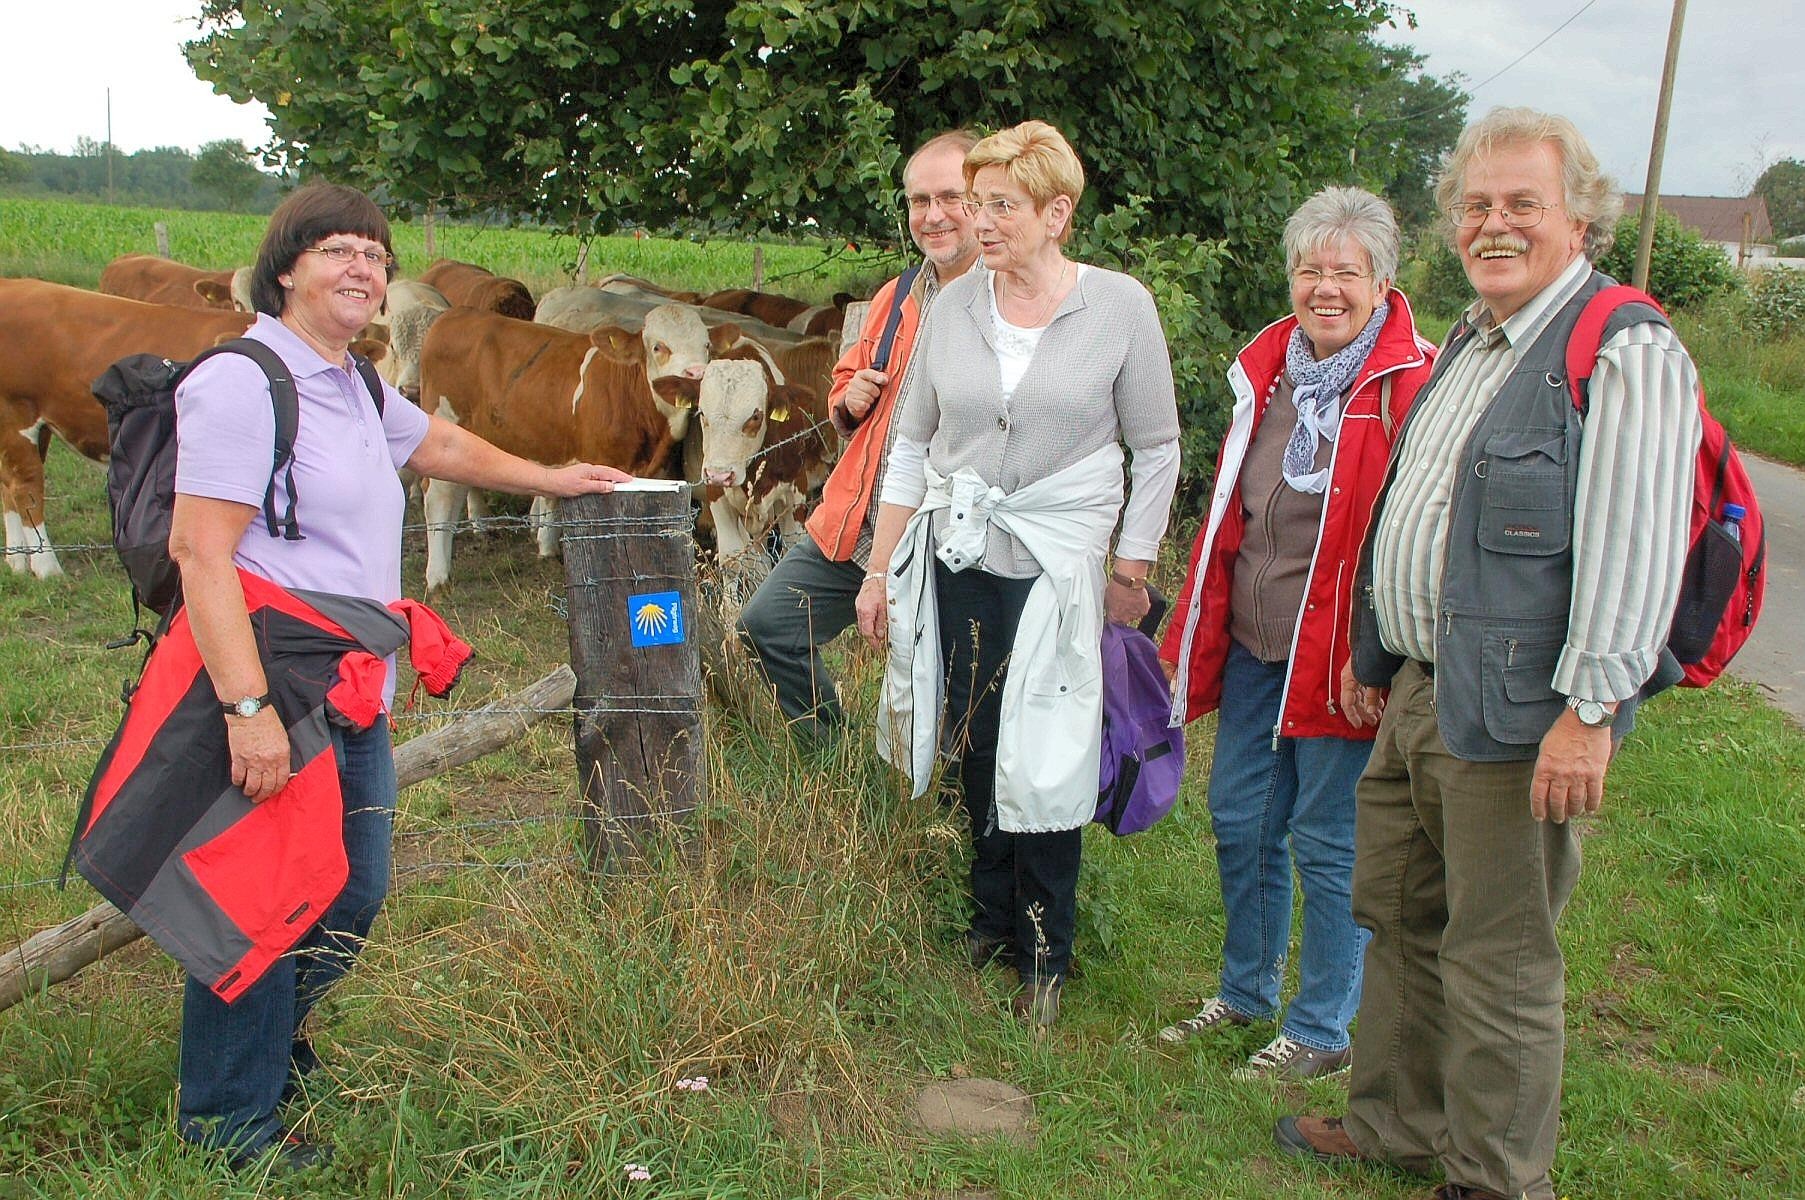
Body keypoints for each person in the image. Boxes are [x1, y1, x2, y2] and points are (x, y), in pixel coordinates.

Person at [1276, 108, 1702, 1200]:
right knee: (1402, 914)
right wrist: (1375, 653)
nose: (1492, 224)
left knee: (1500, 955)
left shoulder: (1621, 345)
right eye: (1474, 205)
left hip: (1519, 715)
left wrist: (1588, 711)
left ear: (1578, 219)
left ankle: (1495, 1177)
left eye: (1521, 204)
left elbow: (1635, 547)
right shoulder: (1473, 335)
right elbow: (1417, 510)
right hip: (1423, 690)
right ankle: (1394, 1126)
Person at [167, 183, 630, 1170]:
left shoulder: (352, 382)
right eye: (338, 251)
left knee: (352, 894)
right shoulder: (242, 381)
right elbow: (201, 554)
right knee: (264, 904)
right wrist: (245, 711)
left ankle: (272, 1054)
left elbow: (442, 444)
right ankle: (226, 1125)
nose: (363, 270)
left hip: (356, 688)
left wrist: (559, 478)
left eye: (375, 256)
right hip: (278, 687)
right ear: (285, 266)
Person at [856, 120, 1180, 1027]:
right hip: (962, 560)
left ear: (1056, 213)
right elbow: (912, 440)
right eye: (974, 201)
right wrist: (881, 568)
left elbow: (1155, 447)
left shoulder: (1118, 307)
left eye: (1001, 204)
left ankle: (1047, 948)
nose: (979, 221)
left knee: (1048, 752)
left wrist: (1133, 565)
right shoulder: (955, 306)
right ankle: (988, 924)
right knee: (976, 740)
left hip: (1057, 571)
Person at [1157, 187, 1435, 1078]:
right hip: (1253, 642)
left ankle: (1320, 1027)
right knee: (1238, 817)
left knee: (1326, 839)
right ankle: (1242, 993)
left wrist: (1380, 652)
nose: (1325, 287)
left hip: (1342, 659)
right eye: (1309, 269)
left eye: (1345, 272)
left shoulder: (1411, 383)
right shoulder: (1267, 370)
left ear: (1382, 281)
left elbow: (1410, 531)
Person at [736, 130, 980, 737]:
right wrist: (846, 401)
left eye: (952, 196)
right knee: (769, 624)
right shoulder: (895, 296)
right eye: (919, 201)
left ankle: (945, 810)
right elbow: (846, 380)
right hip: (860, 519)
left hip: (950, 535)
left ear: (986, 200)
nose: (933, 214)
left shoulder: (1006, 302)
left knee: (952, 676)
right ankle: (833, 758)